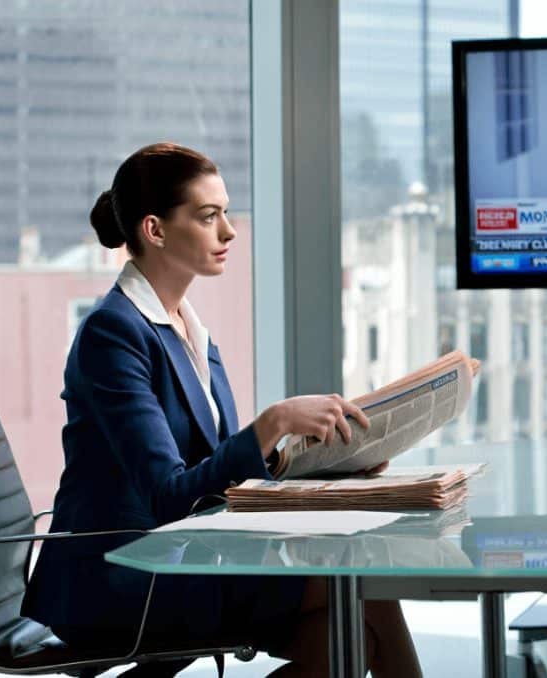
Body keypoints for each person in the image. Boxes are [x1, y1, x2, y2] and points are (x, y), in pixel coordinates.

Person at [22, 143, 422, 678]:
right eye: (208, 216)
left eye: (226, 213)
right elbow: (170, 497)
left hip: (183, 557)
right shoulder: (113, 333)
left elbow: (211, 474)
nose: (229, 231)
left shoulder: (188, 329)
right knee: (361, 586)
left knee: (347, 637)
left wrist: (328, 468)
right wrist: (272, 423)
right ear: (154, 230)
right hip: (121, 576)